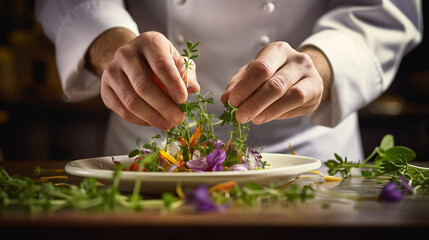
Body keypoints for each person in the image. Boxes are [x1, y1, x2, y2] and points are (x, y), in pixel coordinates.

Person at [35, 0, 422, 162]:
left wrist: (319, 66)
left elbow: (383, 9)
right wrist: (110, 44)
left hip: (306, 152)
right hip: (150, 145)